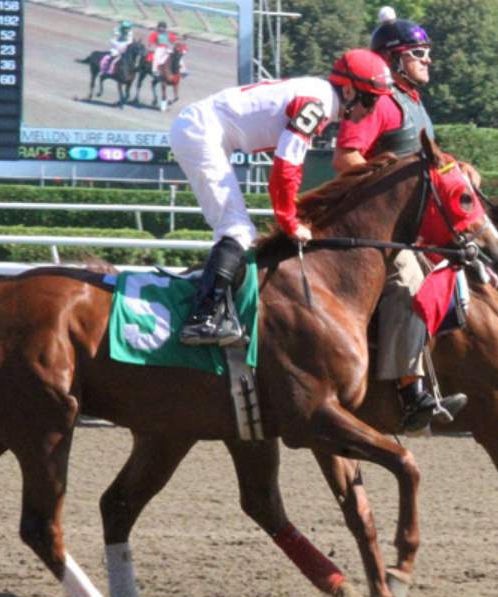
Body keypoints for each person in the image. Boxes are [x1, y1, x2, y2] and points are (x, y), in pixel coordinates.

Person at [169, 49, 393, 346]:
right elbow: (286, 168)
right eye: (370, 99)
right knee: (237, 230)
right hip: (202, 132)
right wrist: (289, 221)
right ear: (349, 90)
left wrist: (290, 215)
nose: (372, 109)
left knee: (237, 229)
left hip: (206, 130)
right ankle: (201, 319)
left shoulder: (319, 97)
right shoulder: (317, 104)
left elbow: (284, 171)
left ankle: (215, 307)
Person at [332, 7, 475, 431]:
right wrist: (390, 180)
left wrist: (456, 166)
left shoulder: (413, 103)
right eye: (418, 52)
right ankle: (410, 391)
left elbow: (426, 161)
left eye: (427, 52)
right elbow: (346, 157)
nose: (427, 59)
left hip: (415, 225)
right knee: (414, 285)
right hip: (380, 231)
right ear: (393, 60)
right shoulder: (383, 103)